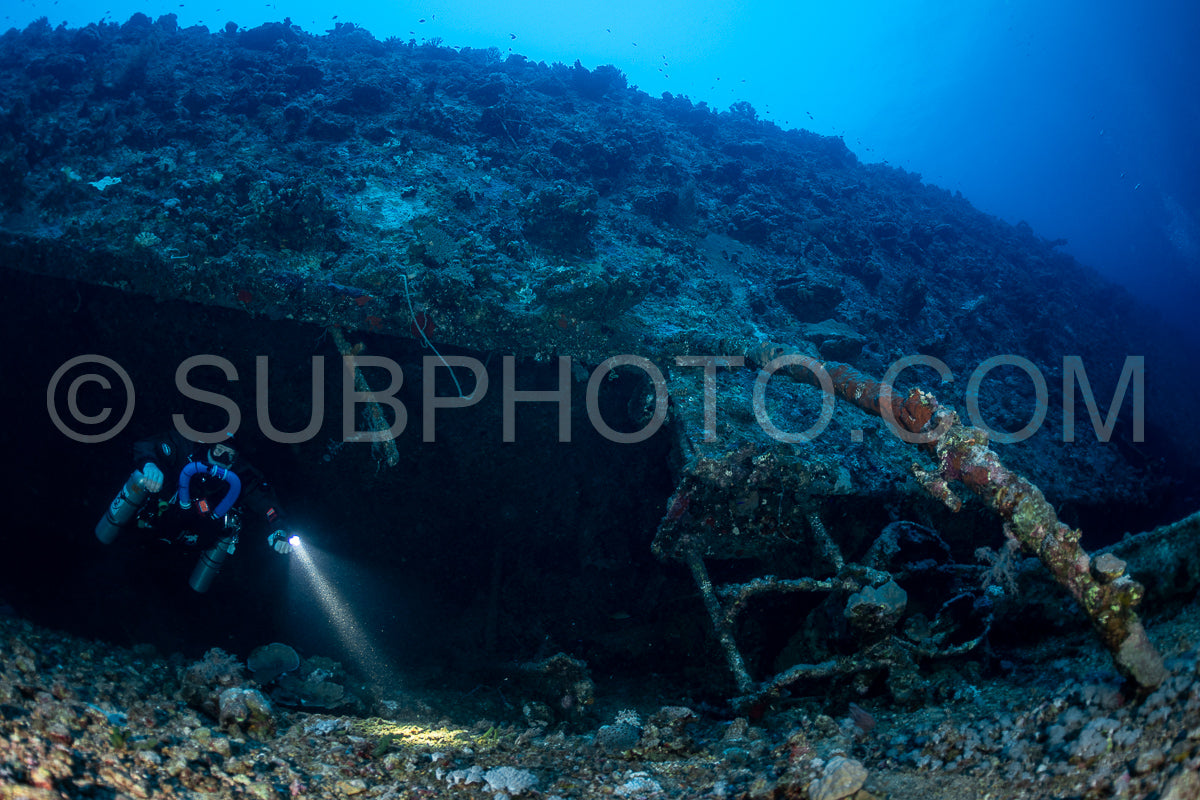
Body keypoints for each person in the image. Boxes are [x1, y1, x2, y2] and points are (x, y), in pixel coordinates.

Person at [96, 429, 294, 592]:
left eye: (230, 455)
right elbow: (150, 444)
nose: (223, 458)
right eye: (219, 451)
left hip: (197, 536)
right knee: (141, 479)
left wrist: (278, 529)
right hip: (156, 518)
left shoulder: (242, 475)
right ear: (209, 446)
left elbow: (268, 505)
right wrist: (149, 465)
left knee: (231, 523)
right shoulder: (186, 448)